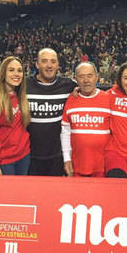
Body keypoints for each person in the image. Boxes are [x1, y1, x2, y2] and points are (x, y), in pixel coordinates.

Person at [26, 48, 76, 176]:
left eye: (53, 62)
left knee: (56, 195)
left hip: (57, 158)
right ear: (37, 64)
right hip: (29, 156)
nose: (49, 65)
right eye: (44, 61)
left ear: (58, 65)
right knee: (31, 195)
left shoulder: (69, 85)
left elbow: (90, 89)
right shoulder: (23, 85)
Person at [61, 62, 111, 177]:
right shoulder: (71, 99)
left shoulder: (109, 98)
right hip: (77, 166)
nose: (86, 80)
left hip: (103, 166)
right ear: (75, 79)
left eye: (89, 75)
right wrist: (66, 158)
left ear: (96, 77)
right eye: (81, 76)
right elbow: (65, 131)